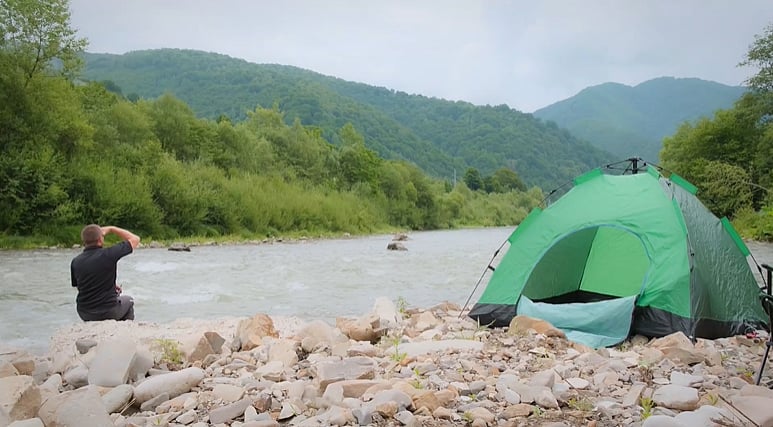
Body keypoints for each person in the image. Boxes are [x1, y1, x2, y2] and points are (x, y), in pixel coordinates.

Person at [70, 224, 141, 321]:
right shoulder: (109, 254)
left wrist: (110, 285)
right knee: (129, 301)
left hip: (84, 312)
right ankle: (125, 331)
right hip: (108, 311)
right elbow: (135, 239)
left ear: (84, 241)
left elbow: (80, 286)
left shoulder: (76, 261)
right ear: (100, 239)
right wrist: (112, 229)